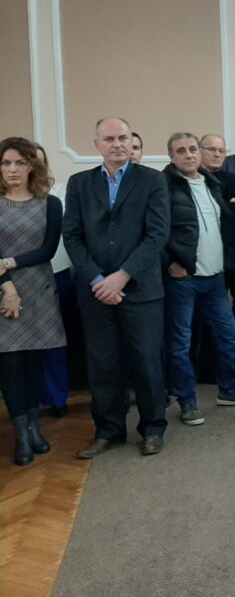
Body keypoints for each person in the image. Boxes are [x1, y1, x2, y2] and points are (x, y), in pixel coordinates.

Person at [63, 117, 170, 457]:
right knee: (103, 365)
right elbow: (72, 236)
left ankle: (152, 428)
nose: (117, 144)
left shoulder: (152, 180)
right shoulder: (79, 183)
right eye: (109, 139)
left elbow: (157, 235)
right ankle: (108, 431)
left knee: (147, 362)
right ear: (96, 145)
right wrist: (98, 280)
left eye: (122, 137)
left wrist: (122, 276)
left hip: (140, 289)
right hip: (96, 292)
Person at [162, 132, 235, 427]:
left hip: (215, 277)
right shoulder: (164, 186)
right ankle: (187, 402)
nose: (188, 154)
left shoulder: (211, 184)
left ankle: (229, 390)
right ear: (171, 157)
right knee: (181, 343)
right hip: (183, 279)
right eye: (181, 150)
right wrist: (169, 263)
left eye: (192, 149)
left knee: (228, 334)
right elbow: (153, 231)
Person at [0, 137, 66, 466]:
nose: (12, 169)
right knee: (10, 365)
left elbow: (48, 250)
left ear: (32, 166)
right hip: (3, 293)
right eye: (5, 163)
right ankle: (22, 434)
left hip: (39, 291)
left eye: (20, 163)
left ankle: (34, 426)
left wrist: (8, 262)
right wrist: (8, 287)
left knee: (35, 363)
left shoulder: (50, 203)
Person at [199, 133, 235, 370]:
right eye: (211, 149)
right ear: (200, 151)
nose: (217, 154)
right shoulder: (193, 180)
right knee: (208, 314)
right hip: (204, 259)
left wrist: (232, 208)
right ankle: (208, 363)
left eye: (221, 150)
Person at [35, 142, 79, 419]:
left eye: (38, 160)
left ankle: (56, 396)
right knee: (24, 343)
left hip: (57, 273)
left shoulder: (60, 192)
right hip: (17, 278)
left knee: (54, 339)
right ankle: (28, 397)